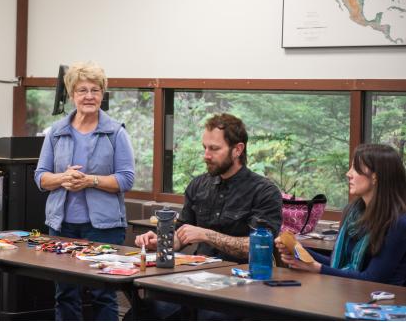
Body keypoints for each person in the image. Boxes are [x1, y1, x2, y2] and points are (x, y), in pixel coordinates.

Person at [133, 113, 282, 320]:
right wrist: (162, 241)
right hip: (197, 278)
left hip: (241, 282)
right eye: (204, 147)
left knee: (211, 316)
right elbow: (182, 235)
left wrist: (206, 235)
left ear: (237, 150)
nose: (206, 155)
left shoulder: (264, 191)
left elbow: (256, 247)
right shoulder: (198, 185)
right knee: (143, 312)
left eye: (214, 149)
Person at [35, 61, 135, 321]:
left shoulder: (115, 132)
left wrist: (90, 180)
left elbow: (126, 179)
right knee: (65, 294)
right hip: (62, 226)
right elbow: (41, 177)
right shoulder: (56, 132)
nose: (89, 96)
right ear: (71, 95)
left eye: (95, 90)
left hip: (104, 227)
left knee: (104, 294)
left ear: (102, 94)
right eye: (82, 90)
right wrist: (63, 178)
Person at [276, 143, 406, 285]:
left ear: (375, 177)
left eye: (355, 168)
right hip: (351, 293)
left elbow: (372, 279)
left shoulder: (398, 222)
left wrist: (316, 268)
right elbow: (336, 263)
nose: (348, 174)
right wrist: (298, 250)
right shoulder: (353, 213)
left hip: (384, 302)